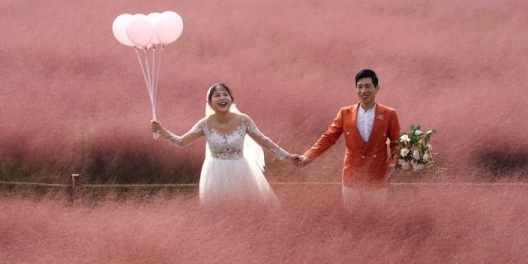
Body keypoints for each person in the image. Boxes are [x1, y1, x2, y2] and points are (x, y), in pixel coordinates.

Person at [151, 83, 299, 206]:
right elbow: (181, 142)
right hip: (215, 174)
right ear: (210, 103)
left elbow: (264, 140)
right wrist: (162, 131)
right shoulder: (205, 124)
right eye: (217, 95)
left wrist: (287, 156)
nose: (222, 98)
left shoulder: (243, 120)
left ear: (231, 100)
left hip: (241, 171)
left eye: (225, 94)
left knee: (245, 208)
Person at [297, 69, 401, 208]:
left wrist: (393, 162)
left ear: (377, 88)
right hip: (352, 176)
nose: (363, 90)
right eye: (359, 86)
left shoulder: (389, 114)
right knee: (352, 219)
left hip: (378, 176)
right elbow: (328, 137)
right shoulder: (345, 113)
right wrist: (308, 156)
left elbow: (396, 142)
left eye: (368, 86)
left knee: (377, 218)